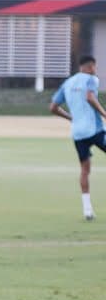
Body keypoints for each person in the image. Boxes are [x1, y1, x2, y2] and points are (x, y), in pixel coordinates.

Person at [50, 55, 106, 220]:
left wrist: (70, 117)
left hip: (78, 134)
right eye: (95, 67)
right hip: (95, 130)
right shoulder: (91, 79)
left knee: (84, 170)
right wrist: (104, 113)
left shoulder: (67, 83)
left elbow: (53, 107)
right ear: (90, 67)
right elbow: (89, 97)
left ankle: (87, 210)